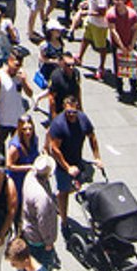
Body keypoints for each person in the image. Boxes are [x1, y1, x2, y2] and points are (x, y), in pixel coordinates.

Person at [44, 93, 101, 225]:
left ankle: (58, 196)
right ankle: (64, 220)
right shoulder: (59, 124)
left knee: (77, 185)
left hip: (77, 160)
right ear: (64, 108)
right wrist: (67, 167)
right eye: (68, 111)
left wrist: (97, 158)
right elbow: (55, 149)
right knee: (64, 193)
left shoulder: (83, 119)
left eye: (74, 112)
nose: (71, 115)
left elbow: (92, 137)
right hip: (63, 165)